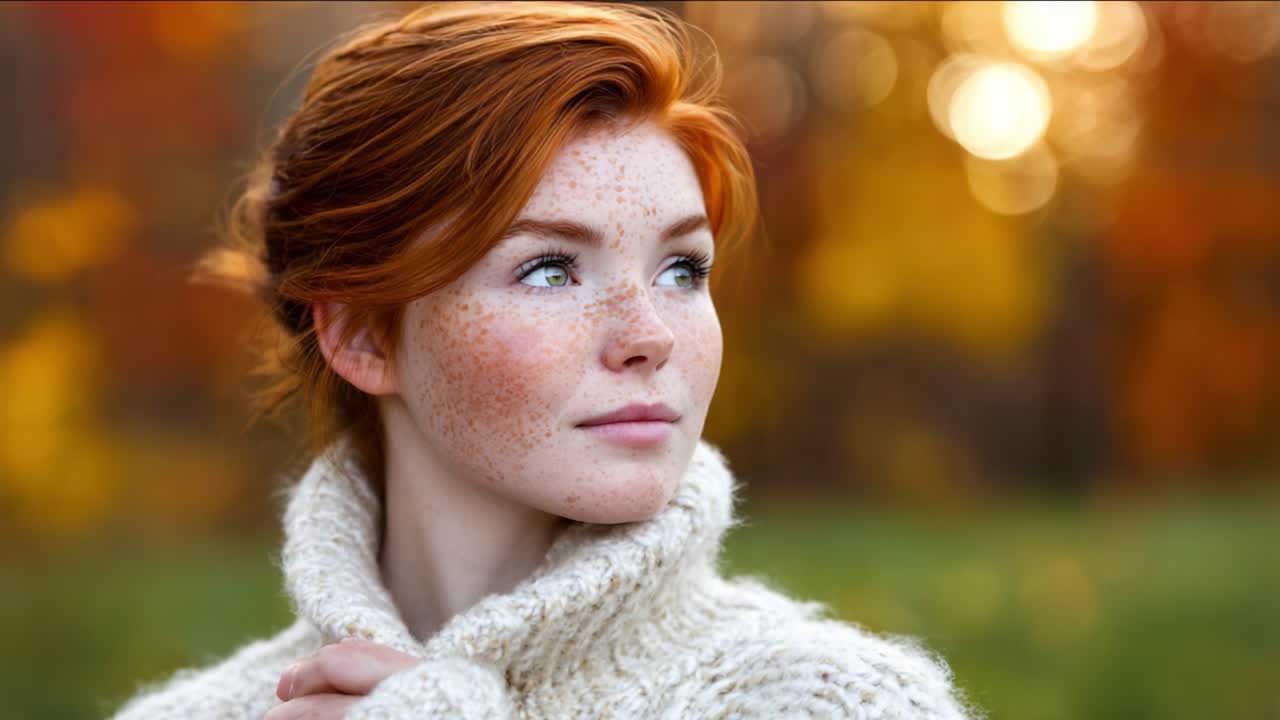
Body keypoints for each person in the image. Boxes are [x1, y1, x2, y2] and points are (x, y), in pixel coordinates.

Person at [111, 2, 981, 718]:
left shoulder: (836, 704)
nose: (651, 332)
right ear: (364, 336)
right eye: (550, 269)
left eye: (683, 267)